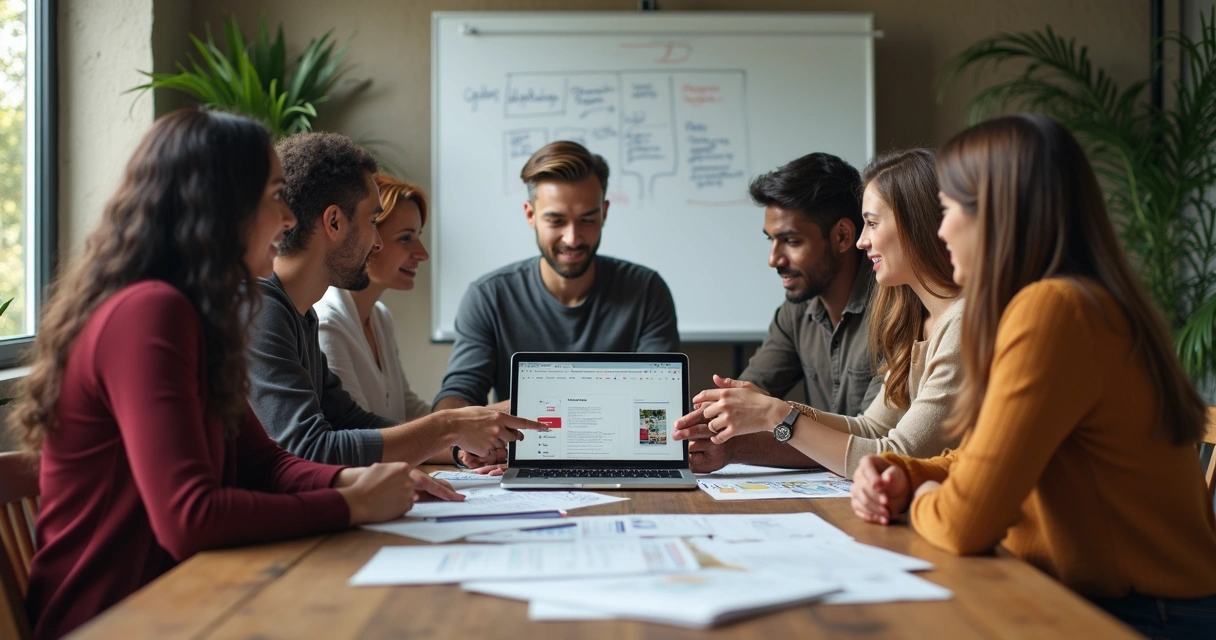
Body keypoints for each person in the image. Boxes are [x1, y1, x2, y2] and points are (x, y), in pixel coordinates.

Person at [7, 110, 458, 640]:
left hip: (189, 599)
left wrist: (349, 478)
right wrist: (349, 502)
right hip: (117, 619)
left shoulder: (198, 317)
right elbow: (189, 518)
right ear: (220, 207)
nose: (289, 219)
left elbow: (262, 463)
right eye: (273, 196)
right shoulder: (149, 314)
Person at [850, 114, 1216, 639]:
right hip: (1119, 602)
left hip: (1137, 619)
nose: (941, 229)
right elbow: (984, 458)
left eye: (949, 210)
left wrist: (917, 499)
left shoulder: (1054, 311)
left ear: (999, 216)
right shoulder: (1078, 301)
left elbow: (965, 522)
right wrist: (908, 474)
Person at [246, 131, 544, 467]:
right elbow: (309, 449)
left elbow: (349, 422)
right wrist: (450, 425)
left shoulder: (300, 312)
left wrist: (460, 446)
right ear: (333, 222)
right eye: (373, 221)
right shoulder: (261, 310)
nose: (376, 242)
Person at [676, 149, 963, 477]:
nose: (862, 240)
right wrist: (777, 412)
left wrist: (777, 417)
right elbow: (869, 428)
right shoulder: (913, 316)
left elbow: (895, 455)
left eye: (871, 224)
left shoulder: (957, 326)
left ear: (917, 226)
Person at [433, 140, 680, 468]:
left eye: (588, 220)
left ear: (605, 213)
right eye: (556, 221)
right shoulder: (489, 296)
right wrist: (465, 443)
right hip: (520, 462)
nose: (573, 238)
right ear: (530, 215)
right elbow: (457, 397)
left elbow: (658, 407)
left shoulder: (647, 290)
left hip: (619, 463)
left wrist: (531, 409)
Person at [670, 152, 883, 473]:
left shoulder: (896, 313)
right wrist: (700, 431)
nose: (774, 259)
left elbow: (873, 439)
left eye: (791, 241)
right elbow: (744, 401)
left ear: (842, 236)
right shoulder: (794, 314)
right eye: (772, 241)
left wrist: (745, 437)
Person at [315, 174, 432, 422]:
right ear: (367, 237)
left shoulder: (380, 316)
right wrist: (459, 440)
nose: (422, 253)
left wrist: (489, 417)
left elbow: (408, 411)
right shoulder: (327, 322)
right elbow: (359, 433)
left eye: (417, 236)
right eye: (405, 238)